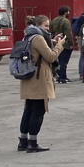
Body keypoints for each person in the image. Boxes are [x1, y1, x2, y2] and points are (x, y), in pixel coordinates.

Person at [18, 14, 66, 153]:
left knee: (29, 109)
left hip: (29, 78)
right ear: (38, 26)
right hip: (38, 79)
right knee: (38, 110)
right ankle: (33, 143)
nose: (48, 28)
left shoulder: (28, 35)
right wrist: (59, 45)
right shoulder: (38, 38)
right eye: (46, 26)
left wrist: (51, 40)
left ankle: (23, 141)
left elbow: (38, 48)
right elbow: (50, 57)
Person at [50, 6, 75, 83]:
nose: (69, 13)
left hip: (55, 43)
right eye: (68, 11)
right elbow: (68, 33)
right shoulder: (66, 21)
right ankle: (62, 78)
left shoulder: (53, 20)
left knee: (58, 61)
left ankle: (60, 76)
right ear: (65, 12)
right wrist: (71, 43)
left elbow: (50, 31)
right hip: (65, 44)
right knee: (64, 62)